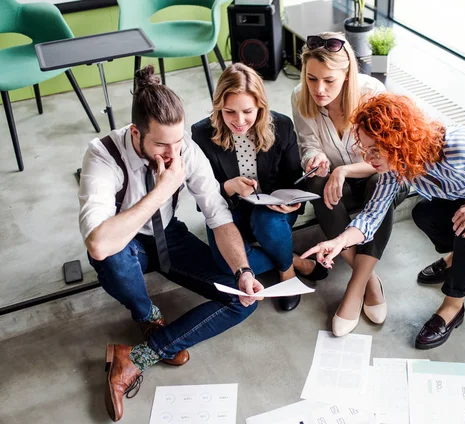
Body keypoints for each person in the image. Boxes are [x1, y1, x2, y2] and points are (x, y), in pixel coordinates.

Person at [303, 92, 465, 349]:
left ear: (399, 141)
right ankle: (457, 259)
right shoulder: (398, 168)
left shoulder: (460, 146)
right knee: (424, 214)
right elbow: (372, 216)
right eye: (365, 148)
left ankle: (453, 307)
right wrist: (339, 241)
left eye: (374, 150)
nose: (367, 158)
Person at [78, 66, 264, 422]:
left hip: (169, 235)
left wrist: (242, 270)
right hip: (124, 243)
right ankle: (148, 316)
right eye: (162, 144)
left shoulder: (184, 149)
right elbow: (99, 243)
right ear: (136, 133)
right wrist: (163, 189)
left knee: (243, 301)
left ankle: (137, 356)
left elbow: (218, 215)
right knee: (112, 257)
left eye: (177, 143)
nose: (173, 153)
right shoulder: (102, 155)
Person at [291, 32, 409, 336]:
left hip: (381, 172)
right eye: (312, 78)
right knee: (316, 184)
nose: (319, 89)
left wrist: (342, 172)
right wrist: (316, 160)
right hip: (335, 176)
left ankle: (355, 287)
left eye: (329, 80)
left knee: (378, 184)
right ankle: (368, 277)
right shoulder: (299, 96)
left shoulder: (372, 93)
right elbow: (308, 144)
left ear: (347, 74)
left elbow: (390, 157)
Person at [192, 63, 328, 312]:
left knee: (268, 222)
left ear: (260, 106)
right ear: (218, 107)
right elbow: (203, 198)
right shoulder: (201, 134)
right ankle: (293, 260)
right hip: (229, 210)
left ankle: (286, 274)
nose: (240, 121)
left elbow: (291, 178)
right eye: (229, 112)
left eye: (247, 111)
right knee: (226, 264)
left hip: (272, 210)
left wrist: (290, 201)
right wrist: (230, 187)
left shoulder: (282, 126)